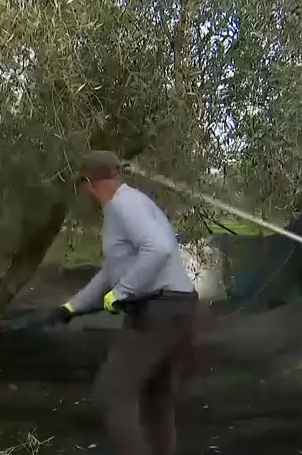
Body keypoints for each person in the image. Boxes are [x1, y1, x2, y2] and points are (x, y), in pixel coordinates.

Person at [45, 150, 198, 455]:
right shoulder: (135, 202)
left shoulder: (122, 205)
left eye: (84, 186)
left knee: (112, 393)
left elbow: (159, 249)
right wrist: (72, 307)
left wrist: (123, 291)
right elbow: (112, 271)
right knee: (157, 399)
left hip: (158, 311)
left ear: (89, 182)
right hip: (180, 307)